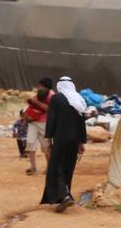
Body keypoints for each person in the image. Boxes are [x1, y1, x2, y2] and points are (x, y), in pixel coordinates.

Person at [40, 77, 87, 213]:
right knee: (68, 167)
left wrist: (48, 139)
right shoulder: (78, 99)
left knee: (56, 167)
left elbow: (51, 119)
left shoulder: (57, 99)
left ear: (60, 86)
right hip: (74, 140)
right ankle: (65, 195)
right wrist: (81, 142)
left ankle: (64, 196)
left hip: (60, 138)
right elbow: (81, 122)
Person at [24, 77, 54, 175]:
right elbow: (32, 105)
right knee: (30, 142)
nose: (38, 87)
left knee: (46, 146)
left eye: (40, 85)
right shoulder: (41, 92)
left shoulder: (51, 95)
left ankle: (49, 168)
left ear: (44, 86)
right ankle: (33, 167)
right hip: (33, 122)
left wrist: (36, 102)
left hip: (44, 123)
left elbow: (50, 109)